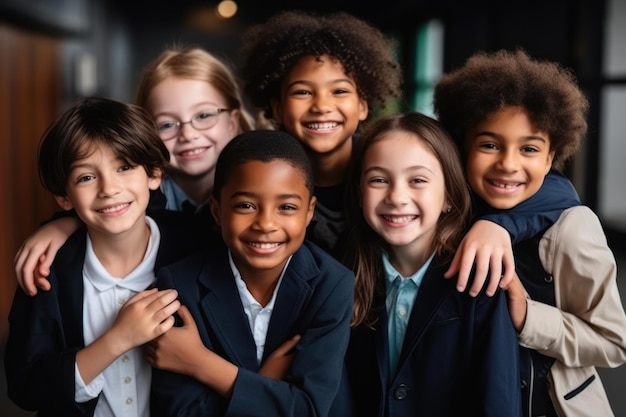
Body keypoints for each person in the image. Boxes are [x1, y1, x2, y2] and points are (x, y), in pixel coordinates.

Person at [238, 9, 580, 297]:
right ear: (276, 108)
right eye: (302, 93)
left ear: (363, 104)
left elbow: (555, 188)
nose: (322, 106)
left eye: (339, 91)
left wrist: (498, 225)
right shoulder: (267, 173)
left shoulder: (393, 159)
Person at [433, 48, 626, 417]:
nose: (508, 164)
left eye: (529, 149)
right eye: (489, 145)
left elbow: (614, 342)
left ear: (551, 158)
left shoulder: (571, 229)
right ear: (463, 146)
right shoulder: (450, 212)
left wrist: (528, 317)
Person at [3, 96, 206, 416]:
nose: (108, 188)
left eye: (124, 167)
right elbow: (25, 386)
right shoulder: (46, 271)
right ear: (63, 196)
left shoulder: (197, 249)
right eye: (86, 177)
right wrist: (118, 339)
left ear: (154, 173)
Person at [146, 130, 355, 417]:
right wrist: (269, 387)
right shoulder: (180, 284)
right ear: (217, 210)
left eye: (287, 207)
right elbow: (183, 412)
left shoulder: (331, 285)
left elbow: (308, 409)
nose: (266, 223)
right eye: (246, 205)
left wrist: (200, 363)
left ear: (309, 212)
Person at [14, 46, 255, 295]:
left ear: (233, 121)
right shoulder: (137, 193)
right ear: (144, 135)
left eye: (204, 115)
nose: (188, 134)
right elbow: (107, 208)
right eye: (167, 124)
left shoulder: (263, 183)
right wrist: (65, 223)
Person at [343, 112, 521, 416]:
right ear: (360, 193)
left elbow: (498, 400)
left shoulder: (481, 281)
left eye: (418, 180)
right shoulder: (343, 275)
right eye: (379, 180)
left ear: (448, 195)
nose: (397, 197)